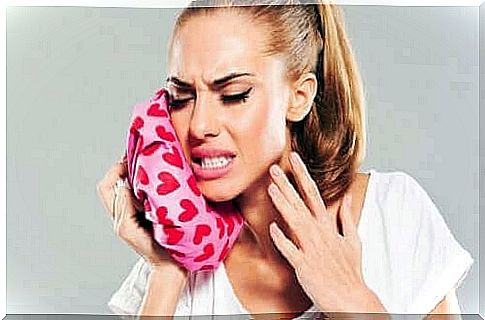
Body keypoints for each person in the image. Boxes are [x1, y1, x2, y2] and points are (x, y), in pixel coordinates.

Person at [96, 0, 474, 318]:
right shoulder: (174, 254)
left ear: (299, 97)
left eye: (234, 94)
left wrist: (352, 303)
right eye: (181, 97)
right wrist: (167, 270)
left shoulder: (392, 213)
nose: (199, 126)